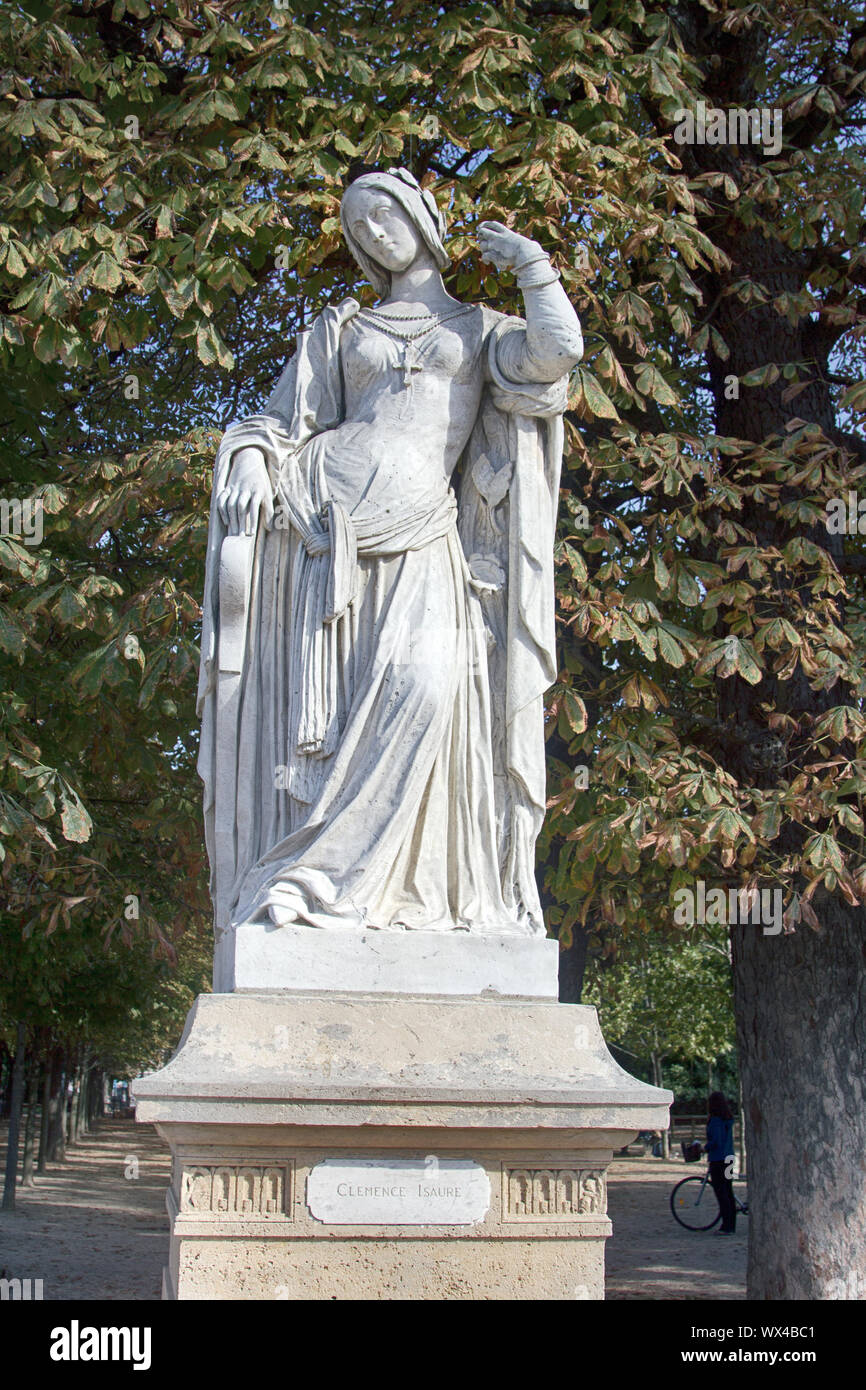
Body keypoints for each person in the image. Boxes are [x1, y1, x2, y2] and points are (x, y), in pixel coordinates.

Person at [198, 167, 583, 939]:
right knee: (341, 724)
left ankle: (322, 878)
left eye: (383, 213)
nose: (374, 230)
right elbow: (281, 423)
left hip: (423, 541)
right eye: (358, 224)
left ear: (419, 216)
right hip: (326, 543)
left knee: (426, 688)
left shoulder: (480, 329)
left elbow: (556, 353)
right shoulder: (341, 330)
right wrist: (246, 458)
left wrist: (533, 266)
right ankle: (310, 890)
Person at [705, 1090, 736, 1234]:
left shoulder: (716, 1120)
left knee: (721, 1192)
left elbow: (716, 1141)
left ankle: (726, 1226)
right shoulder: (727, 1119)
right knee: (729, 1191)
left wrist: (705, 1148)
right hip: (729, 1157)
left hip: (718, 1159)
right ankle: (731, 1224)